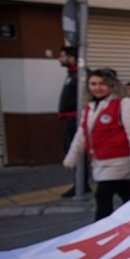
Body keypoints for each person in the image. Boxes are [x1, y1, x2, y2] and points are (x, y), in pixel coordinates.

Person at [62, 69, 130, 221]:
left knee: (102, 196)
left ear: (112, 85)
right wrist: (71, 158)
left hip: (118, 159)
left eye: (102, 84)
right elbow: (82, 134)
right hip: (99, 160)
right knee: (126, 193)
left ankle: (99, 228)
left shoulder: (124, 103)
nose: (97, 88)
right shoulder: (90, 106)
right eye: (93, 84)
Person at [57, 45, 89, 196]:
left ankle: (81, 184)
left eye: (62, 56)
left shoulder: (80, 74)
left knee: (77, 148)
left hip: (76, 117)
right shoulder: (72, 74)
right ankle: (80, 183)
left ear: (71, 57)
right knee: (72, 147)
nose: (60, 59)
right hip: (70, 117)